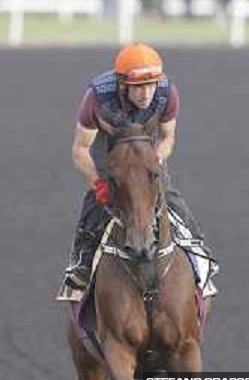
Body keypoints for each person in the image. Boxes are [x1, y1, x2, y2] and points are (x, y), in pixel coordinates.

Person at [63, 42, 213, 292]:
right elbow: (80, 150)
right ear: (122, 85)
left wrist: (155, 162)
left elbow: (167, 137)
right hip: (108, 143)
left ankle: (197, 247)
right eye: (138, 87)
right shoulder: (97, 97)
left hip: (146, 143)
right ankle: (82, 262)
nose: (146, 94)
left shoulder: (168, 93)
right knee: (97, 203)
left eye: (151, 85)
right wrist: (99, 184)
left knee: (167, 193)